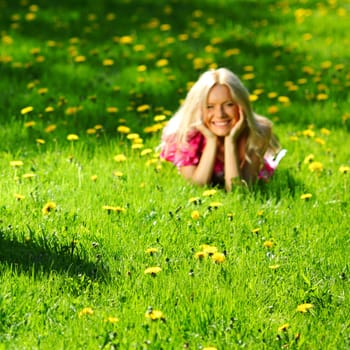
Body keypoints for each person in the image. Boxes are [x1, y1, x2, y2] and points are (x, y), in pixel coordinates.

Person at [160, 68, 286, 191]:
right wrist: (211, 140)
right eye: (209, 106)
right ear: (198, 109)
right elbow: (197, 186)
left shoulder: (258, 132)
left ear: (241, 105)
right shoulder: (184, 134)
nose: (220, 114)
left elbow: (238, 190)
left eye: (229, 104)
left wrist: (230, 141)